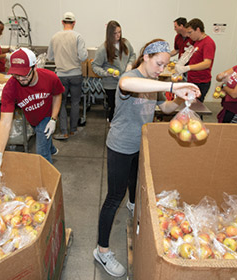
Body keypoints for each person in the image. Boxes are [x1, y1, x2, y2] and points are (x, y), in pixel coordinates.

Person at [93, 39, 200, 277]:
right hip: (120, 145)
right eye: (159, 64)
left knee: (135, 184)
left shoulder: (155, 82)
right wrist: (171, 87)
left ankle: (133, 209)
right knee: (114, 197)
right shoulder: (132, 77)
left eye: (165, 66)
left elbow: (165, 108)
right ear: (146, 57)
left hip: (141, 143)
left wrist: (182, 100)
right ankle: (101, 250)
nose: (161, 70)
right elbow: (125, 82)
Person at [0, 48, 64, 171]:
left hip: (46, 115)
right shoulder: (11, 88)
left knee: (42, 153)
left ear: (34, 67)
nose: (20, 78)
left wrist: (53, 119)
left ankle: (48, 181)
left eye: (24, 74)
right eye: (16, 74)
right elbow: (5, 122)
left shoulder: (50, 77)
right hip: (32, 118)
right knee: (44, 135)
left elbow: (57, 94)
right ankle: (51, 148)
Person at [48, 11, 88, 140]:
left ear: (62, 22)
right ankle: (73, 129)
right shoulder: (78, 37)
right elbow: (83, 57)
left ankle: (64, 131)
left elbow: (49, 57)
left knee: (61, 102)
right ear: (74, 23)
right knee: (76, 102)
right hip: (76, 74)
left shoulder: (54, 37)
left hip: (60, 76)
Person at [92, 20, 136, 123]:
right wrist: (106, 73)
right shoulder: (103, 49)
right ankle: (112, 126)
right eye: (115, 33)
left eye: (119, 32)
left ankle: (119, 126)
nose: (118, 35)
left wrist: (130, 64)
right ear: (109, 34)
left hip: (125, 81)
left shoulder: (125, 43)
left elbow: (133, 55)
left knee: (125, 106)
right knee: (115, 107)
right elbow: (95, 66)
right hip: (111, 84)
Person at [176, 18, 216, 102]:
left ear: (198, 29)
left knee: (196, 107)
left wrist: (188, 68)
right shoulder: (197, 41)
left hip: (201, 81)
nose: (188, 35)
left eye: (190, 32)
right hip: (192, 79)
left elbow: (207, 63)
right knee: (189, 103)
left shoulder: (208, 43)